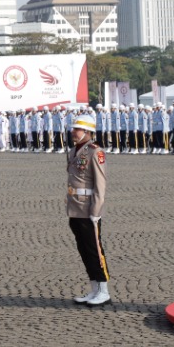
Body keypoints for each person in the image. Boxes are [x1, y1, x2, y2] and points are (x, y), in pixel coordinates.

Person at [65, 114, 111, 306]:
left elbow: (100, 184)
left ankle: (104, 291)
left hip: (88, 208)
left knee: (94, 250)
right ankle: (94, 289)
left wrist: (96, 211)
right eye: (73, 128)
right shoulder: (73, 150)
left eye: (77, 129)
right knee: (83, 249)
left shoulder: (95, 151)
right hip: (75, 207)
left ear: (87, 131)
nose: (73, 132)